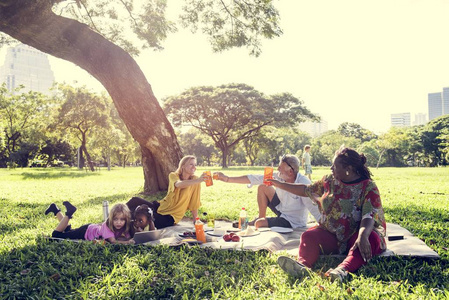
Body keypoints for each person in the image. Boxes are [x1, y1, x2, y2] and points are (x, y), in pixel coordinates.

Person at [270, 147, 386, 282]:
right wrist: (278, 184)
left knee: (370, 238)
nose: (331, 168)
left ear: (348, 169)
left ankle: (342, 270)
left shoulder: (368, 187)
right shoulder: (329, 181)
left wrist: (363, 235)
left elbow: (369, 215)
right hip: (333, 235)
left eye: (335, 166)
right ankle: (303, 267)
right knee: (309, 235)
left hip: (357, 235)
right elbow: (306, 190)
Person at [214, 154, 321, 229]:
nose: (278, 169)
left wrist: (325, 226)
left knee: (258, 224)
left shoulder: (303, 183)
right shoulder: (279, 176)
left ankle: (258, 221)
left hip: (292, 221)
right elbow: (253, 178)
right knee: (262, 186)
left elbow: (314, 207)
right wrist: (227, 179)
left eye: (280, 167)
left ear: (291, 171)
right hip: (281, 209)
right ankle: (261, 217)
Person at [126, 155, 208, 229]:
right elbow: (179, 184)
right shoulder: (173, 175)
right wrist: (199, 180)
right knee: (134, 200)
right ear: (183, 166)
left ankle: (126, 223)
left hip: (171, 216)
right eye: (191, 164)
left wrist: (195, 220)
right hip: (161, 206)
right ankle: (117, 215)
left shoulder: (195, 180)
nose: (194, 167)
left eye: (195, 164)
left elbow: (194, 202)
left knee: (145, 217)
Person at [45, 201, 135, 244]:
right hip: (84, 232)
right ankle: (69, 213)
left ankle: (55, 209)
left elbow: (126, 237)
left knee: (68, 230)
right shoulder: (108, 226)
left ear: (126, 219)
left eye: (122, 220)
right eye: (115, 219)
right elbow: (113, 241)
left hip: (90, 228)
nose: (119, 222)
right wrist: (128, 242)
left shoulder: (124, 227)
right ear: (111, 219)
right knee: (56, 235)